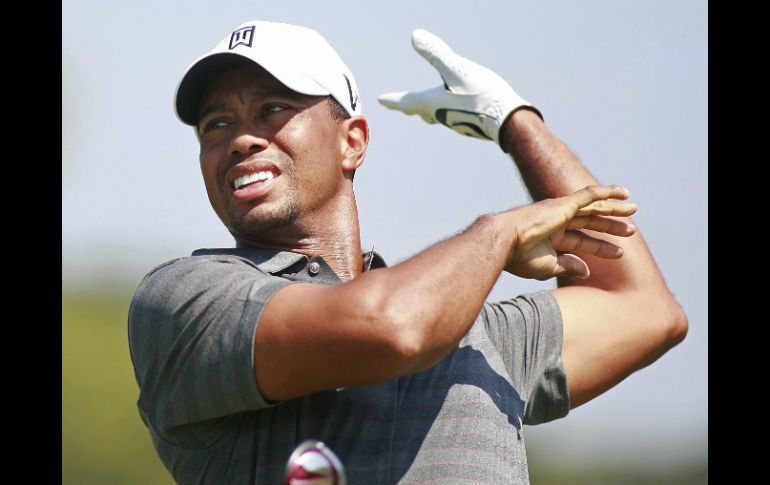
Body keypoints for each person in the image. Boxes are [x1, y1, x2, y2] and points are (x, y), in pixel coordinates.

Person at [128, 19, 687, 484]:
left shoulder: (482, 337)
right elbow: (392, 327)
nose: (241, 138)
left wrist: (516, 124)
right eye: (217, 123)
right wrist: (497, 234)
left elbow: (642, 309)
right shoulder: (185, 301)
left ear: (352, 141)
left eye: (273, 108)